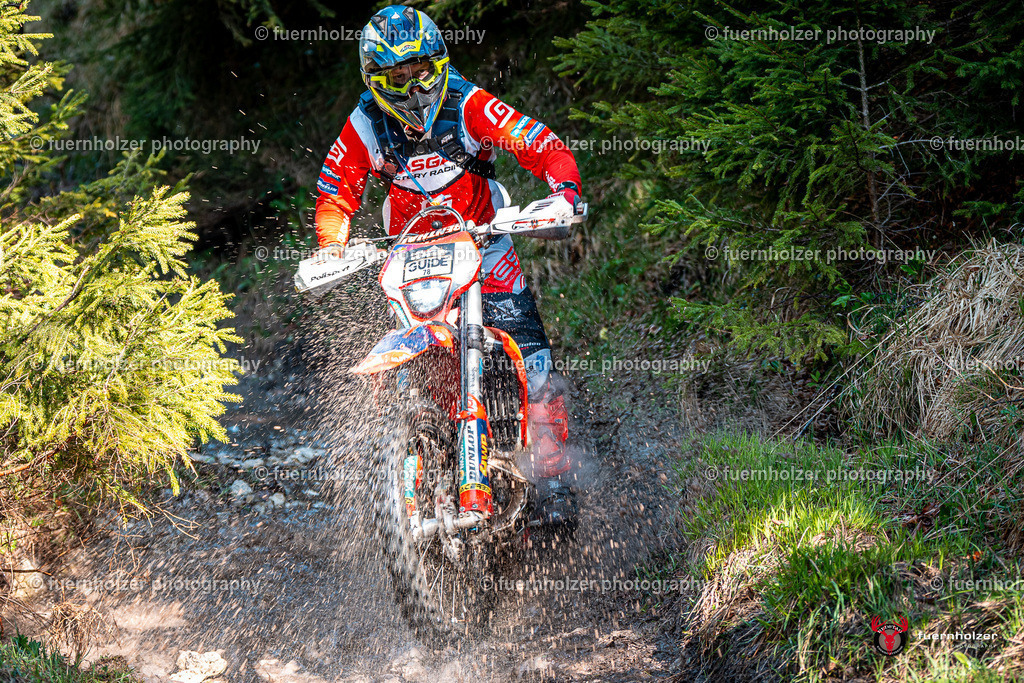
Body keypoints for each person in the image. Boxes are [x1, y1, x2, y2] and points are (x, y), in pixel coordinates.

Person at [313, 5, 583, 528]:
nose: (414, 90)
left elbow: (539, 142)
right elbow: (335, 190)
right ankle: (408, 465)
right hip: (414, 262)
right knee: (410, 367)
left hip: (485, 250)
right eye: (397, 78)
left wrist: (562, 192)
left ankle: (554, 479)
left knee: (534, 359)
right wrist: (330, 246)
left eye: (422, 73)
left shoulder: (468, 104)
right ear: (375, 81)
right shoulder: (367, 123)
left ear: (440, 64)